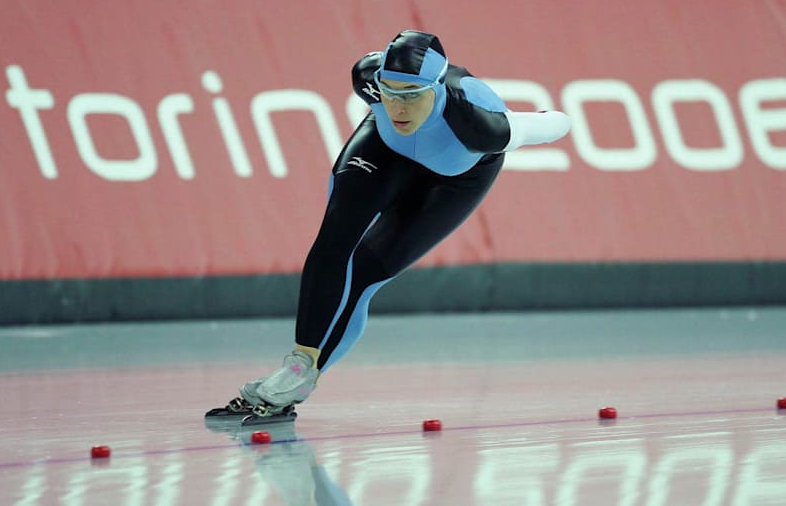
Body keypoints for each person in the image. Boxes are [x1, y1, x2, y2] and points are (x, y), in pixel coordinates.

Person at [229, 29, 572, 418]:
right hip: (385, 150)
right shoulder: (367, 78)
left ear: (437, 88)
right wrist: (394, 94)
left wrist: (556, 119)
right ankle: (298, 368)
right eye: (390, 93)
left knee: (363, 274)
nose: (399, 107)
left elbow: (555, 123)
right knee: (335, 241)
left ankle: (306, 377)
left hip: (456, 176)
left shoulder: (479, 124)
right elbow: (389, 93)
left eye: (411, 95)